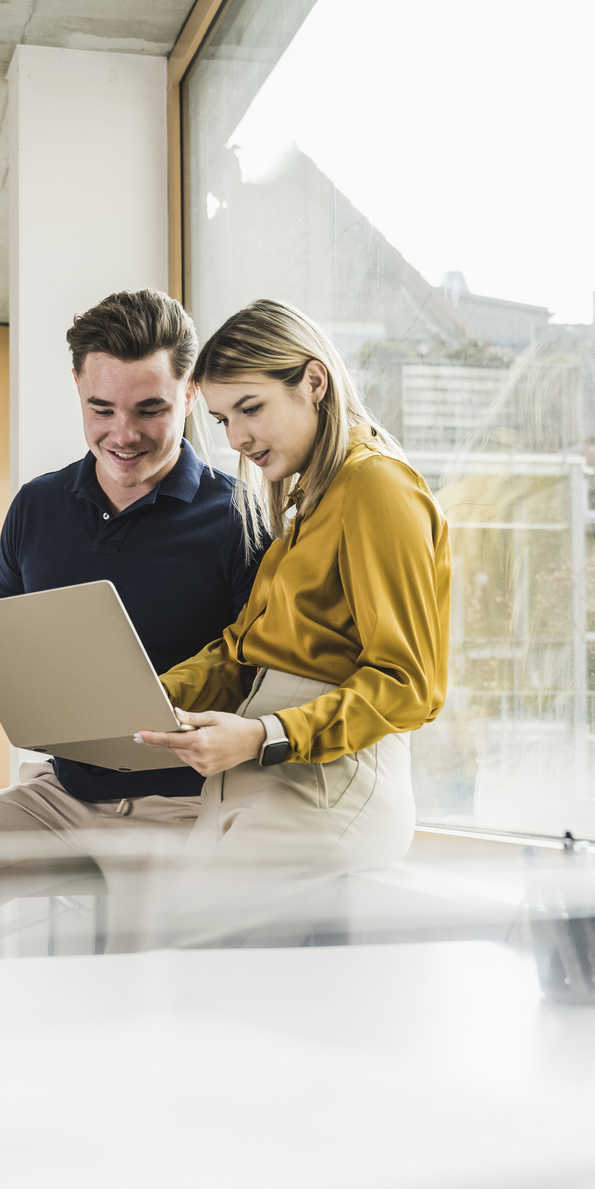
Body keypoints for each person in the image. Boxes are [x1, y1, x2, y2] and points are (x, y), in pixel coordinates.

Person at [0, 289, 258, 957]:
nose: (122, 434)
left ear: (188, 394)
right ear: (76, 387)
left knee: (150, 987)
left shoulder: (239, 518)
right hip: (58, 793)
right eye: (102, 408)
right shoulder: (36, 506)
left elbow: (263, 683)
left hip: (178, 810)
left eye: (149, 409)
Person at [130, 298, 451, 943]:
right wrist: (145, 695)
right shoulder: (309, 499)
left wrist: (261, 735)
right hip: (266, 776)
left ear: (313, 381)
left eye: (251, 408)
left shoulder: (377, 488)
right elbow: (243, 650)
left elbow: (410, 683)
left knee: (167, 959)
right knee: (162, 956)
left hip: (327, 784)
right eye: (223, 419)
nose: (238, 440)